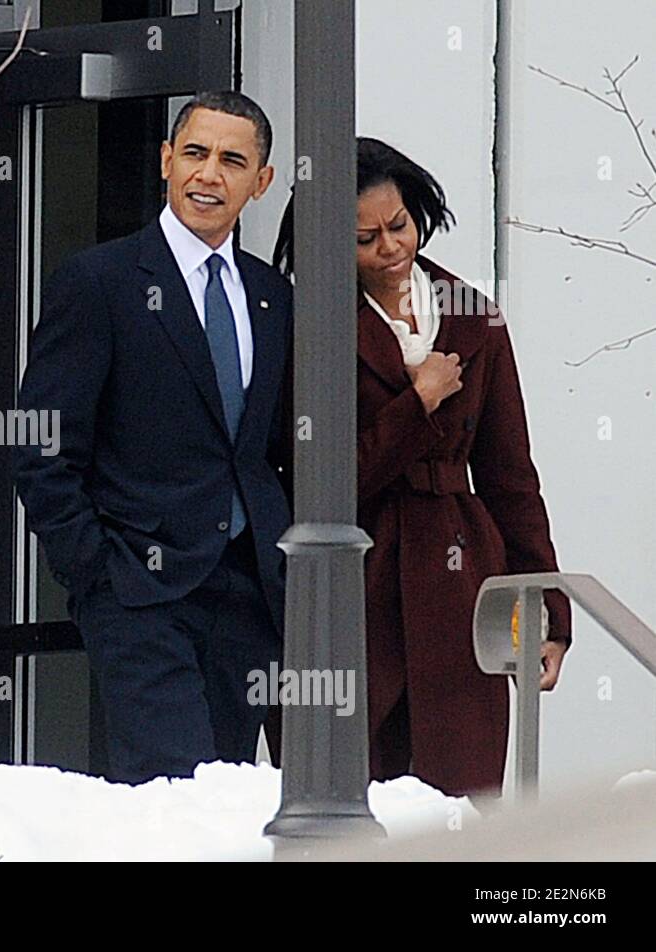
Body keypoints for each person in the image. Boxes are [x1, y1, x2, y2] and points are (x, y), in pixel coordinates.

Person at [273, 137, 570, 797]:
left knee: (463, 790)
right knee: (359, 795)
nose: (389, 247)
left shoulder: (472, 314)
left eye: (399, 225)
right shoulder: (313, 325)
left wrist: (549, 609)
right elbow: (325, 480)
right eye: (364, 237)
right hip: (357, 580)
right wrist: (419, 401)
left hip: (463, 578)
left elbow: (511, 476)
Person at [13, 92, 293, 784]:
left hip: (247, 594)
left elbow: (275, 444)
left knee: (226, 794)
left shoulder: (271, 295)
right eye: (195, 153)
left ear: (261, 182)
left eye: (233, 160)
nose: (209, 174)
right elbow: (41, 444)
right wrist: (94, 575)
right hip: (137, 587)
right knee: (171, 790)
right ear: (166, 161)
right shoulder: (100, 280)